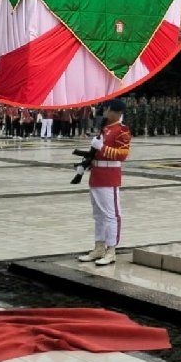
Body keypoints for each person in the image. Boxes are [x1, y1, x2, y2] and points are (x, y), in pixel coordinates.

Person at [76, 99, 132, 267]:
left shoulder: (122, 130)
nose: (105, 112)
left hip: (109, 176)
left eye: (108, 109)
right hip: (97, 175)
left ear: (117, 112)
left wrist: (102, 148)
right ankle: (99, 247)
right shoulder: (105, 128)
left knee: (111, 215)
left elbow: (122, 155)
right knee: (98, 215)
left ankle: (111, 250)